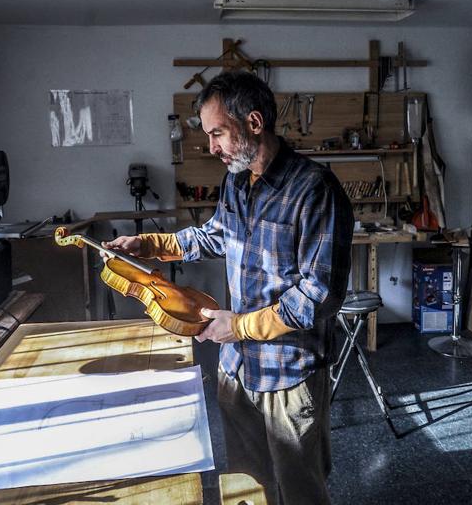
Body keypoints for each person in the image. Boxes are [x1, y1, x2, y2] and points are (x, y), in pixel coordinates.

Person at [103, 70, 353, 504]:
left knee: (300, 491)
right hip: (236, 370)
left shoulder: (315, 189)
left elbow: (319, 295)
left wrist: (238, 326)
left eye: (218, 133)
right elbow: (214, 235)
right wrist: (152, 245)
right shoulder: (237, 179)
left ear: (253, 124)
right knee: (249, 487)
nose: (211, 146)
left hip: (288, 374)